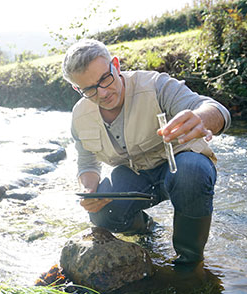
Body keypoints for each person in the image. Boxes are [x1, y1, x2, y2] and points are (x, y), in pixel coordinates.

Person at [62, 39, 231, 265]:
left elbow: (216, 110)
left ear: (116, 65)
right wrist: (89, 190)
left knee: (192, 172)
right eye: (90, 89)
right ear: (77, 89)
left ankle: (189, 261)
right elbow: (87, 163)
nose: (102, 93)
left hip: (180, 164)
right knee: (101, 214)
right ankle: (145, 229)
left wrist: (201, 118)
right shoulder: (79, 117)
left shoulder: (155, 85)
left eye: (105, 78)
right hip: (134, 176)